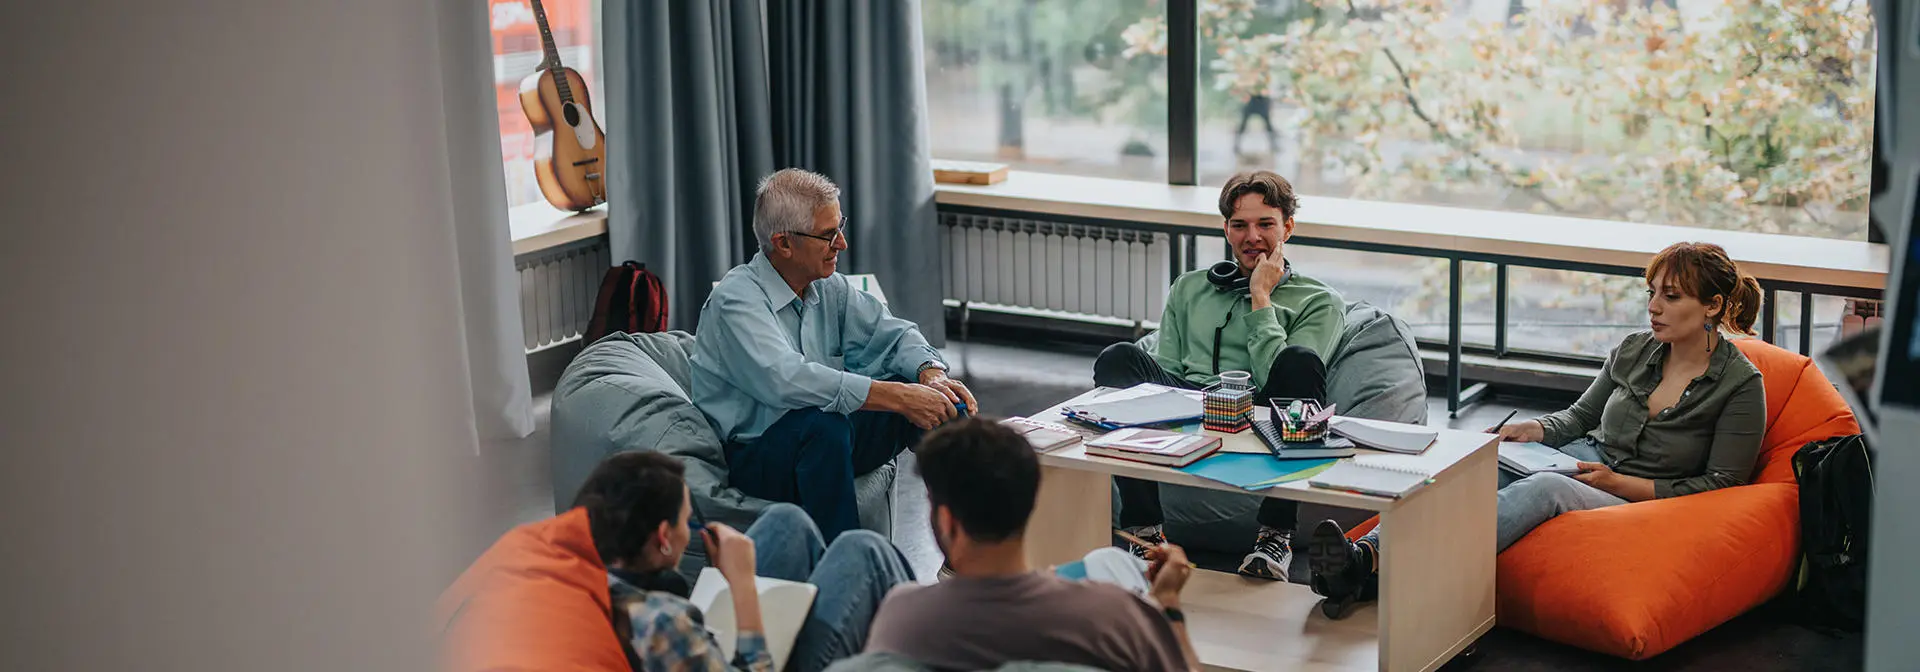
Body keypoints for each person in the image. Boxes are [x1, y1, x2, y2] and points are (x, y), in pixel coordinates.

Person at [1305, 241, 1768, 617]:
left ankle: (1376, 569)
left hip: (1637, 497)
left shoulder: (1740, 385)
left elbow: (1724, 484)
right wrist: (1532, 430)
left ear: (1713, 306)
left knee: (1546, 487)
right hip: (1583, 461)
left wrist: (1619, 483)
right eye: (1651, 293)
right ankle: (1362, 558)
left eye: (1671, 296)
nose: (1654, 307)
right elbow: (1580, 418)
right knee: (1475, 468)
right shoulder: (1634, 350)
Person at [692, 168, 978, 541]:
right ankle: (847, 562)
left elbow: (895, 334)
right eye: (828, 234)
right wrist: (897, 396)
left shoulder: (829, 289)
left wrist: (931, 375)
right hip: (755, 455)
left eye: (839, 227)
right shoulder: (735, 300)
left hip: (824, 438)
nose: (842, 243)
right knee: (824, 427)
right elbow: (785, 379)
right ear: (784, 243)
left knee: (945, 404)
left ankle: (966, 550)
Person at [1092, 170, 1345, 581]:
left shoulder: (1320, 301)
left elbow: (1284, 375)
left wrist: (1261, 297)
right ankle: (1145, 532)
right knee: (1118, 358)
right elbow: (1165, 372)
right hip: (1189, 403)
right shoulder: (1189, 288)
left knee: (1300, 360)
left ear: (1288, 228)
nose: (1252, 237)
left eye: (1265, 224)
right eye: (1240, 225)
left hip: (1262, 406)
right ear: (1226, 229)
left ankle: (1275, 536)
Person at [864, 418, 1203, 672]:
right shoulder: (1113, 614)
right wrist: (1168, 603)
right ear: (1030, 502)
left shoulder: (902, 617)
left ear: (947, 521)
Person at [592, 452, 916, 671]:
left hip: (706, 652)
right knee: (864, 551)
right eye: (688, 522)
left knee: (786, 521)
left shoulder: (592, 588)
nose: (691, 532)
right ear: (663, 537)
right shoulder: (664, 625)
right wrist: (742, 585)